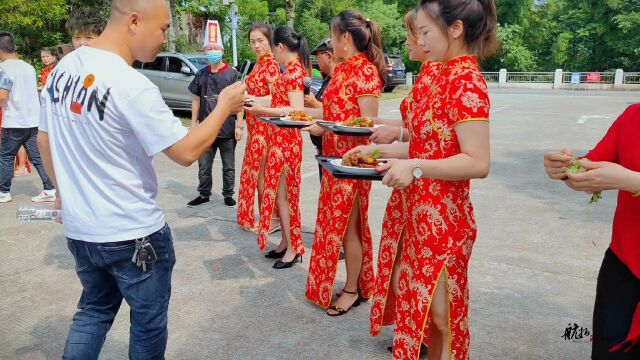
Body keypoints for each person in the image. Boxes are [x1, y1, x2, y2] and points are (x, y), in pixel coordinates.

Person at [37, 0, 245, 358]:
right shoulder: (130, 84)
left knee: (93, 313)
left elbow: (44, 138)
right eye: (163, 28)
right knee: (147, 324)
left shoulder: (64, 68)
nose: (165, 38)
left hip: (81, 231)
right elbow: (185, 151)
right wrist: (226, 105)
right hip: (133, 236)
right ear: (134, 21)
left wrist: (61, 191)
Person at [348, 0, 497, 357]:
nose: (420, 41)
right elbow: (428, 146)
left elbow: (478, 162)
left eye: (426, 32)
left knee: (442, 317)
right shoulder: (441, 73)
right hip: (415, 211)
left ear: (456, 29)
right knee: (419, 307)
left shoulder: (466, 82)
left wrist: (415, 167)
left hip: (444, 221)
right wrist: (377, 153)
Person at [302, 10, 385, 315]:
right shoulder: (343, 70)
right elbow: (332, 111)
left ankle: (352, 289)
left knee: (350, 228)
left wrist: (327, 126)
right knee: (339, 225)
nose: (330, 42)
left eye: (333, 35)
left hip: (353, 162)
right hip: (334, 160)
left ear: (345, 38)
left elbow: (369, 125)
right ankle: (358, 283)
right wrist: (313, 121)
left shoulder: (364, 72)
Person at [368, 7, 441, 354]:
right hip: (411, 186)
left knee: (433, 294)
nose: (414, 40)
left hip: (434, 194)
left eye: (420, 32)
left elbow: (469, 156)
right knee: (401, 266)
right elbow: (426, 135)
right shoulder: (429, 73)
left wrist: (408, 159)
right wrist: (396, 137)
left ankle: (420, 338)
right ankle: (411, 336)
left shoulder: (454, 78)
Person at [544, 106, 640, 359]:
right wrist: (566, 169)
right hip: (624, 265)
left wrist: (633, 182)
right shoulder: (633, 116)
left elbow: (626, 178)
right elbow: (591, 167)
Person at [245, 26, 310, 269]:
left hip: (287, 142)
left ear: (280, 48)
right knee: (281, 197)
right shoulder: (290, 71)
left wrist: (262, 110)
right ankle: (285, 241)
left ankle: (294, 248)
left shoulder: (294, 73)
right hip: (278, 139)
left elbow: (296, 111)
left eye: (273, 48)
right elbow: (279, 101)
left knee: (287, 197)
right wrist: (254, 101)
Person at [0, 31, 56, 204]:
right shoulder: (28, 67)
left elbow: (2, 96)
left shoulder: (4, 69)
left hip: (14, 120)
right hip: (33, 119)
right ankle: (50, 188)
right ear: (14, 46)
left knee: (6, 157)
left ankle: (3, 191)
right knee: (38, 158)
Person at [237, 23, 281, 233]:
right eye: (252, 41)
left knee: (264, 176)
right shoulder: (258, 65)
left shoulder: (271, 65)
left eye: (260, 41)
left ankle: (272, 219)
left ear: (270, 41)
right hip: (254, 127)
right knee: (256, 175)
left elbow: (277, 98)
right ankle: (268, 216)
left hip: (266, 127)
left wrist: (254, 99)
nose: (256, 45)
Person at [187, 43, 244, 207]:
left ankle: (228, 194)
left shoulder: (232, 74)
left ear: (222, 51)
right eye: (208, 49)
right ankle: (204, 194)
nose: (212, 52)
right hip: (206, 129)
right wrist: (193, 124)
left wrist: (239, 126)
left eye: (216, 48)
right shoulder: (201, 74)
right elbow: (196, 99)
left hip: (227, 128)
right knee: (204, 164)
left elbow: (240, 101)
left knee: (228, 165)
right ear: (204, 51)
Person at [305, 38, 336, 180]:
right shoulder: (327, 81)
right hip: (323, 149)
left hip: (334, 151)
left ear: (329, 56)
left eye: (319, 57)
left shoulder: (336, 81)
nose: (317, 62)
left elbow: (337, 111)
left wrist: (312, 103)